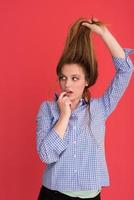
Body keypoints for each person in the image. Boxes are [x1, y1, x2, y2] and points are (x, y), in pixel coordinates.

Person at [36, 17, 134, 200]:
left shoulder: (100, 108)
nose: (67, 84)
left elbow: (126, 70)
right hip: (54, 195)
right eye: (63, 78)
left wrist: (104, 34)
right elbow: (46, 155)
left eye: (75, 78)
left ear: (86, 81)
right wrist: (64, 116)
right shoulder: (47, 109)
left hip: (91, 196)